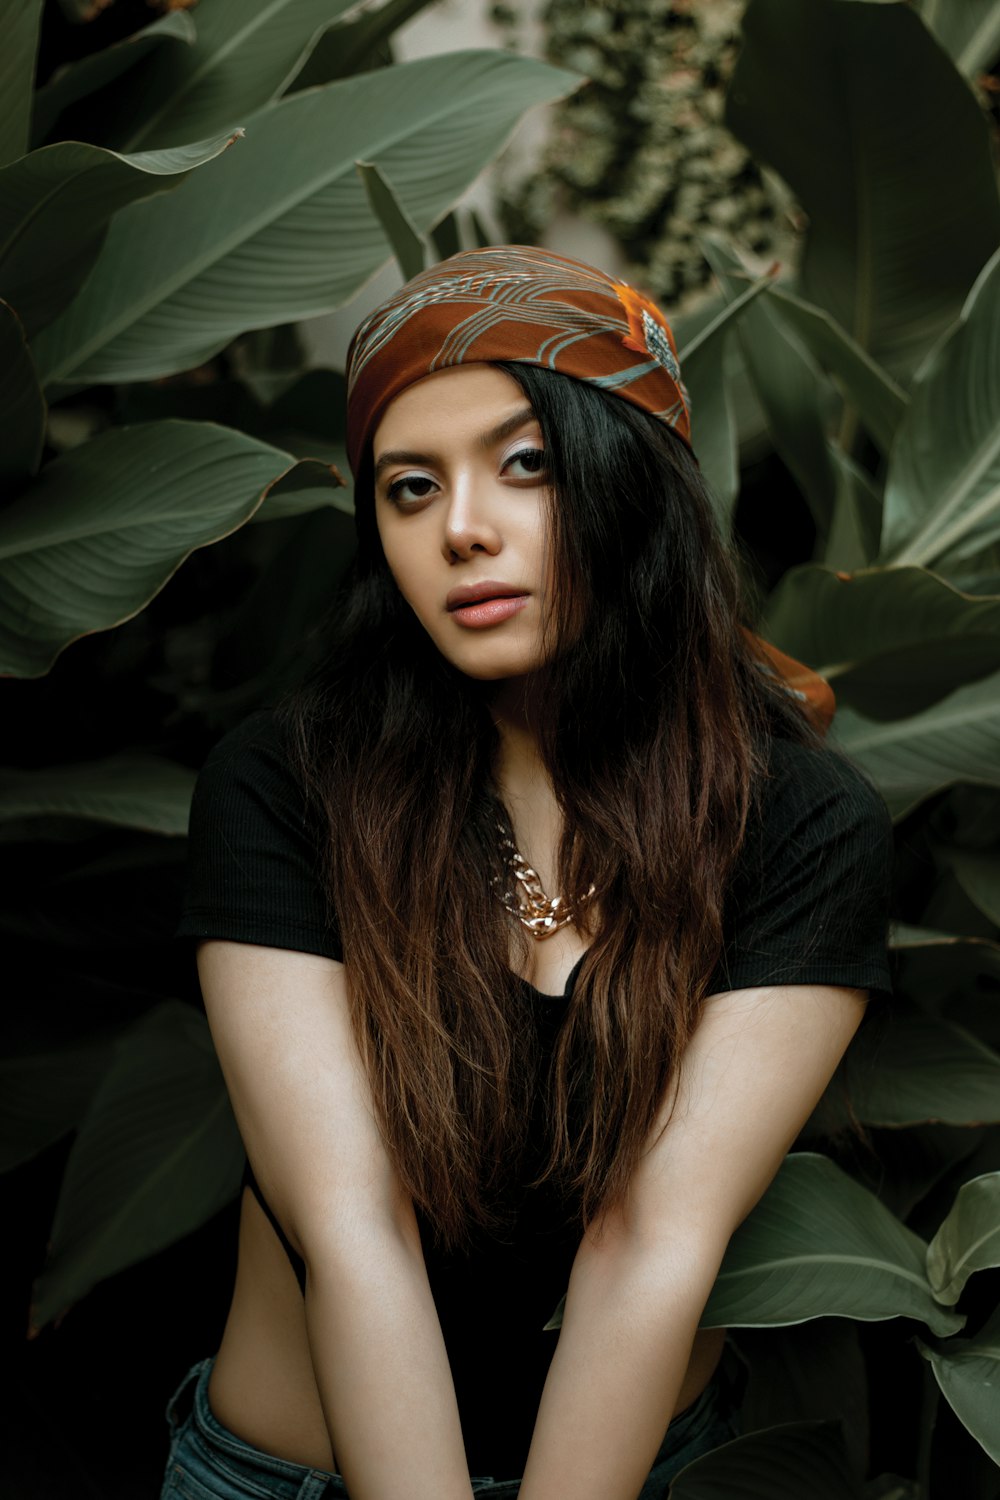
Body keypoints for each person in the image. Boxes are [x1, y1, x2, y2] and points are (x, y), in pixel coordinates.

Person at [163, 246, 893, 1500]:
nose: (460, 528)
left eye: (526, 464)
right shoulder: (288, 783)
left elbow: (649, 1247)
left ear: (632, 480)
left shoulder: (796, 821)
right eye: (406, 487)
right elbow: (352, 1233)